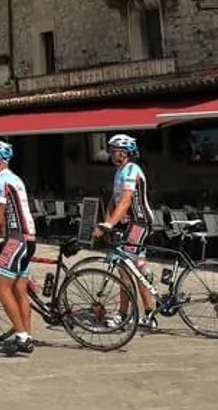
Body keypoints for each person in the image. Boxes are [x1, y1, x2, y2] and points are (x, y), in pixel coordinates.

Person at [0, 140, 36, 355]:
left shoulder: (1, 180)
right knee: (20, 291)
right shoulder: (14, 178)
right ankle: (27, 335)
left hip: (16, 239)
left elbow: (0, 219)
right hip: (28, 238)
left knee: (1, 288)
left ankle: (21, 336)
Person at [94, 133, 157, 325]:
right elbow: (114, 201)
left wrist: (110, 224)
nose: (111, 154)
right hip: (131, 224)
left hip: (140, 222)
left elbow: (127, 200)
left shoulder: (131, 169)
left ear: (124, 153)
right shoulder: (120, 172)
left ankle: (122, 315)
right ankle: (150, 314)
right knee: (137, 269)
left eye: (114, 151)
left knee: (124, 268)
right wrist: (106, 224)